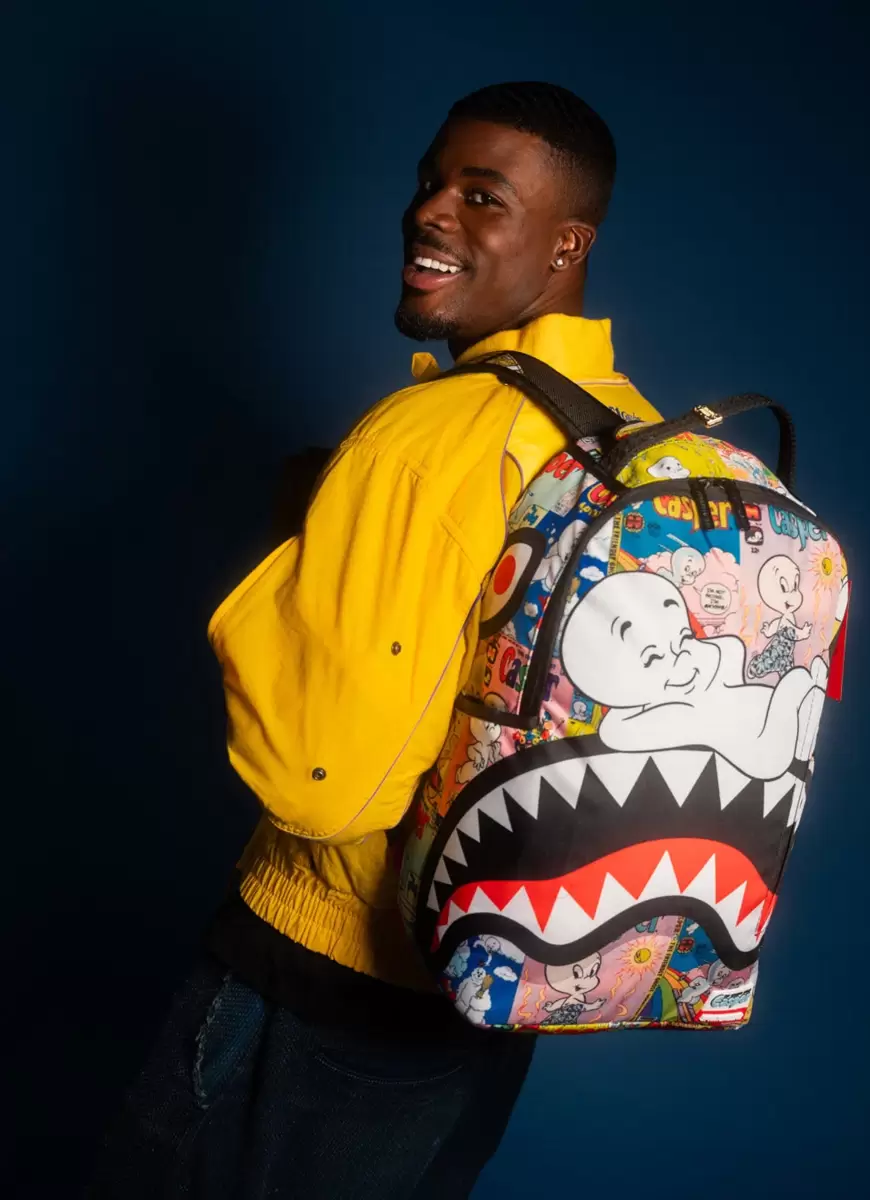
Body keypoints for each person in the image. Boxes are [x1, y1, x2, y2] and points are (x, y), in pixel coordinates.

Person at [90, 80, 662, 1199]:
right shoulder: (631, 429)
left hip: (319, 981)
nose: (430, 211)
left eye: (484, 196)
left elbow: (324, 785)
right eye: (431, 182)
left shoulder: (421, 441)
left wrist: (299, 558)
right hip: (494, 987)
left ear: (568, 243)